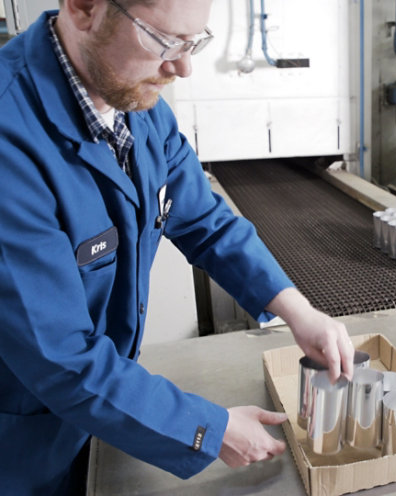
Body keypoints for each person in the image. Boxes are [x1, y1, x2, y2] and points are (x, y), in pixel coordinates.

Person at [0, 0, 354, 493]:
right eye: (164, 42)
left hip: (104, 410)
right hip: (22, 447)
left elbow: (206, 221)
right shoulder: (9, 139)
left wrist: (297, 310)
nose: (183, 68)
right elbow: (59, 356)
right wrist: (208, 429)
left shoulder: (139, 111)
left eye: (194, 42)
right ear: (83, 8)